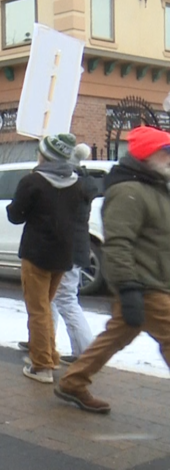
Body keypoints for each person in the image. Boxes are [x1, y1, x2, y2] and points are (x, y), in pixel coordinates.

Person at [55, 126, 170, 414]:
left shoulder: (155, 187)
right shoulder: (128, 191)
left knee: (116, 336)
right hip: (144, 285)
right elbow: (118, 244)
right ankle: (73, 381)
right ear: (148, 155)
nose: (169, 158)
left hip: (154, 281)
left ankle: (72, 381)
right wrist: (129, 289)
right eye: (165, 152)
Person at [6, 133, 88, 384]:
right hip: (63, 255)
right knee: (46, 305)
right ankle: (50, 355)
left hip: (36, 254)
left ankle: (41, 366)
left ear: (46, 154)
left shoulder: (33, 181)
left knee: (38, 309)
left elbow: (15, 215)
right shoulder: (77, 183)